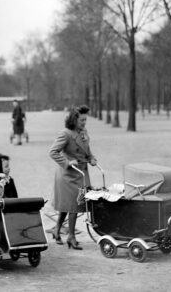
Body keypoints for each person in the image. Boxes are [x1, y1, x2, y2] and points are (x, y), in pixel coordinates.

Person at [49, 105, 97, 250]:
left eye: (85, 120)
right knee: (74, 205)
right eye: (81, 120)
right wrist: (67, 163)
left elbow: (86, 149)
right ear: (73, 120)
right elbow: (53, 152)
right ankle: (71, 236)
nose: (84, 123)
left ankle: (57, 230)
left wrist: (92, 158)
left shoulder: (83, 132)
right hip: (68, 175)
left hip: (80, 173)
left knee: (68, 205)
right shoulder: (66, 134)